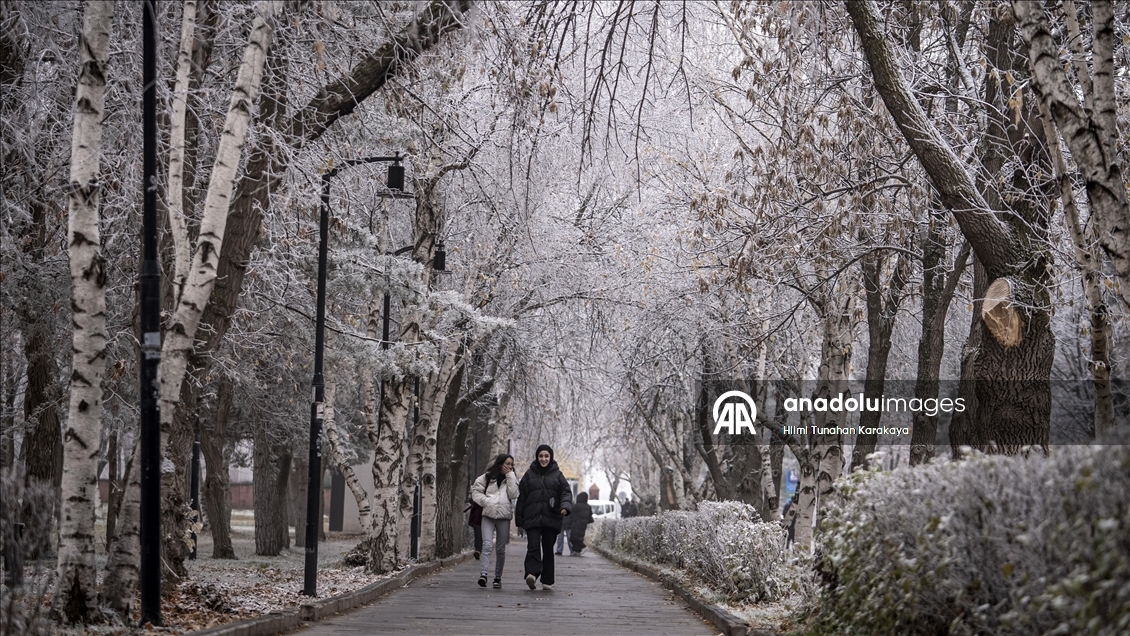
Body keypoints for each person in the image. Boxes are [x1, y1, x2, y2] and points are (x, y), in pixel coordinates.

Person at [515, 444, 572, 590]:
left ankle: (547, 580)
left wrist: (565, 506)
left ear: (551, 457)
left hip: (551, 518)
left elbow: (566, 492)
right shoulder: (529, 475)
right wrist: (519, 521)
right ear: (537, 457)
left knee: (548, 549)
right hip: (532, 517)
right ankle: (531, 574)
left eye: (546, 456)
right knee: (533, 546)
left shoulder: (558, 475)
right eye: (541, 456)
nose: (543, 459)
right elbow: (522, 498)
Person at [471, 454, 519, 589]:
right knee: (486, 545)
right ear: (500, 463)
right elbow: (475, 491)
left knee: (501, 549)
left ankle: (498, 577)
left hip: (504, 516)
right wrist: (486, 502)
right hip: (488, 515)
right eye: (507, 463)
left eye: (511, 464)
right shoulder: (487, 477)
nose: (509, 466)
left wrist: (510, 476)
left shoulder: (512, 478)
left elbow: (514, 494)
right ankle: (483, 575)